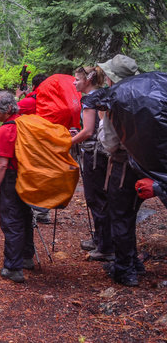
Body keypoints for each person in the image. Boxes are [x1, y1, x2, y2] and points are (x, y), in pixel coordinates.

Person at [96, 54, 142, 286]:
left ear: (113, 79)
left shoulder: (116, 102)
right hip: (144, 168)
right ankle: (133, 261)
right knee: (130, 214)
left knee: (120, 216)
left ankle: (125, 270)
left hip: (123, 167)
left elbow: (110, 144)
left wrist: (102, 120)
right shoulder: (142, 97)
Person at [0, 91, 35, 283]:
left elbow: (1, 164)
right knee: (25, 216)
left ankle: (13, 267)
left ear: (7, 109)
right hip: (26, 177)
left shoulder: (6, 130)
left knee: (11, 220)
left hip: (11, 178)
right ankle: (26, 257)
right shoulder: (24, 122)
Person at [70, 65, 112, 261]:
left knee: (96, 197)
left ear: (88, 80)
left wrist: (66, 143)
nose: (74, 82)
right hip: (104, 153)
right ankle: (101, 239)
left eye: (77, 79)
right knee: (101, 196)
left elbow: (87, 132)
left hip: (94, 154)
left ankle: (105, 246)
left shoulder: (89, 100)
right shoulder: (103, 94)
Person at [15, 73, 52, 224]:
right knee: (46, 175)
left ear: (36, 86)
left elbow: (11, 110)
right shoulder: (51, 100)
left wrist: (18, 96)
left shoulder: (31, 101)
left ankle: (34, 211)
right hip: (50, 142)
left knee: (34, 176)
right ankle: (44, 211)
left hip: (34, 144)